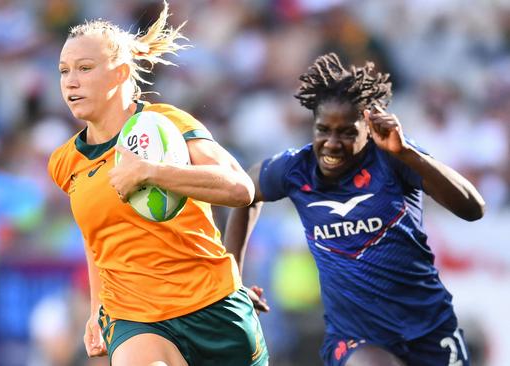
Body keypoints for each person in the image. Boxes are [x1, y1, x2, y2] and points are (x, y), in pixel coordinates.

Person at [225, 53, 485, 366]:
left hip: (428, 324)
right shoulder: (296, 169)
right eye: (323, 130)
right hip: (355, 335)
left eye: (347, 132)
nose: (332, 143)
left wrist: (408, 154)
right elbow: (245, 191)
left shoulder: (394, 159)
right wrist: (233, 282)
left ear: (368, 128)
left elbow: (473, 208)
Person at [47, 2, 269, 365]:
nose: (71, 81)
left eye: (85, 69)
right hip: (134, 318)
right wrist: (96, 309)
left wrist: (152, 172)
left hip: (213, 308)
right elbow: (97, 238)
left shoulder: (167, 124)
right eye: (64, 71)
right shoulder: (64, 161)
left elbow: (239, 189)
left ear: (120, 74)